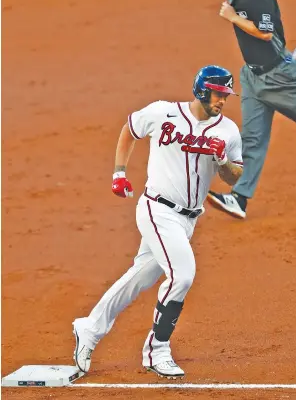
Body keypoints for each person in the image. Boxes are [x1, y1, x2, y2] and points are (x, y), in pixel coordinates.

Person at [72, 65, 243, 379]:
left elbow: (234, 177)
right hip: (156, 210)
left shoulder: (228, 131)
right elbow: (130, 128)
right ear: (202, 90)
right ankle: (157, 349)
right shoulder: (164, 113)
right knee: (183, 275)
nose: (222, 101)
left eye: (225, 96)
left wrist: (222, 160)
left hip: (188, 221)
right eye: (218, 94)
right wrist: (119, 173)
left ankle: (90, 327)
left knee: (140, 277)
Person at [207, 0, 296, 219]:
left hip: (279, 77)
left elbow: (266, 34)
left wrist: (233, 17)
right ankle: (240, 200)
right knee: (253, 140)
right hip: (253, 78)